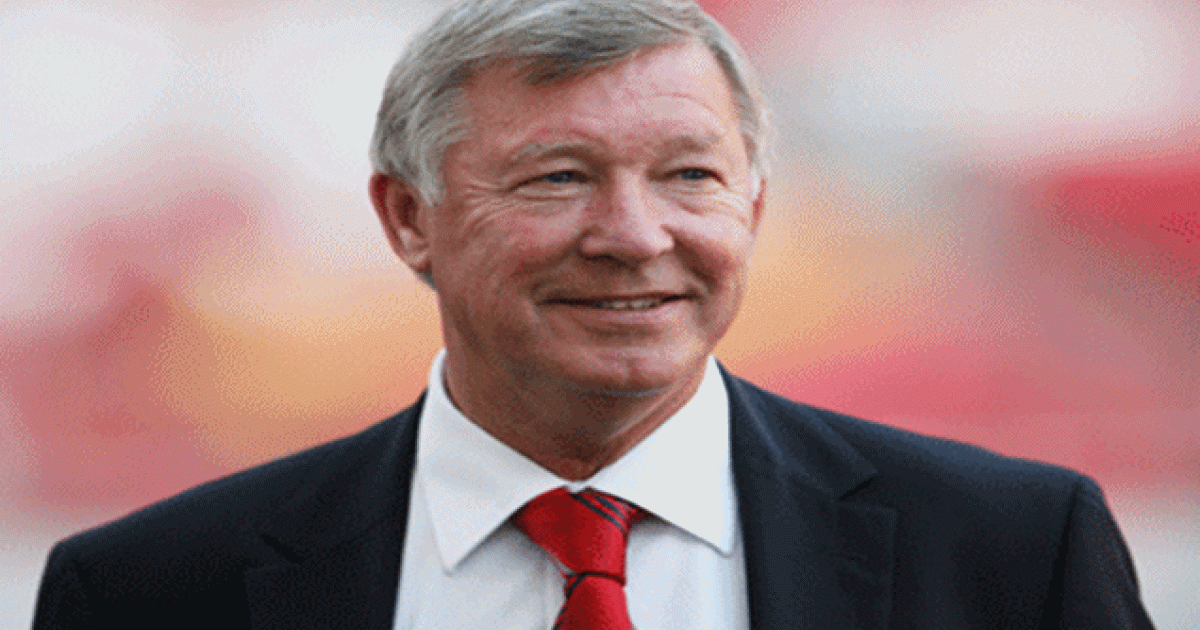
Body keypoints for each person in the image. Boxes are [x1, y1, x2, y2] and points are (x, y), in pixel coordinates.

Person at [33, 0, 1154, 628]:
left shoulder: (1013, 557)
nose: (633, 234)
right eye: (558, 178)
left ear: (755, 207)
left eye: (690, 176)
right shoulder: (148, 595)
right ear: (409, 218)